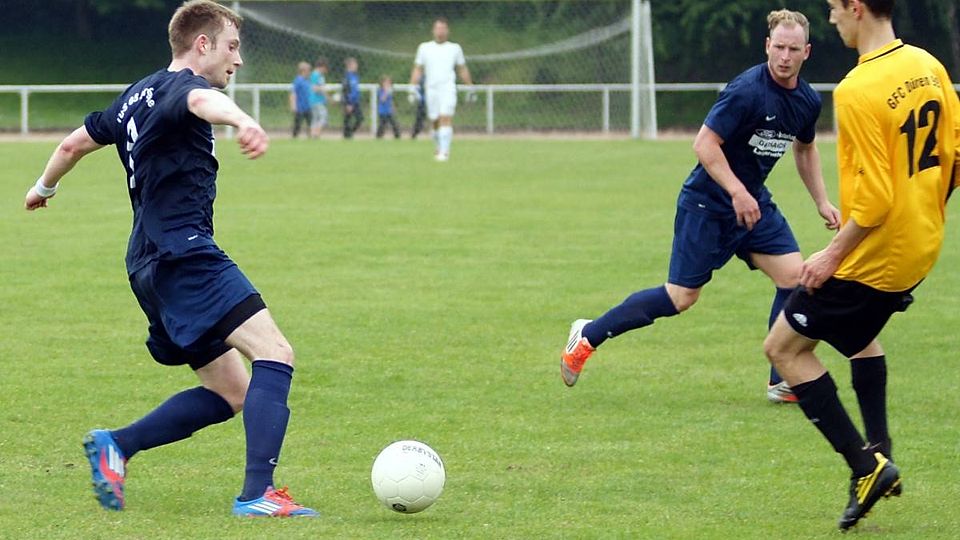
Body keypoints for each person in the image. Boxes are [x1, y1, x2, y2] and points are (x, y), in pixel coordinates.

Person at [23, 0, 318, 517]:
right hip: (186, 256)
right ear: (202, 44)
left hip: (146, 264)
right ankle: (258, 494)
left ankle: (117, 445)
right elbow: (203, 101)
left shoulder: (134, 96)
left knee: (231, 391)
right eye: (232, 47)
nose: (238, 60)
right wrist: (243, 120)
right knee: (275, 353)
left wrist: (43, 187)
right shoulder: (186, 89)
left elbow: (73, 145)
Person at [560, 10, 841, 405]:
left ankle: (782, 379)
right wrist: (737, 192)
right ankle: (588, 334)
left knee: (796, 279)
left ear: (806, 52)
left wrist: (822, 200)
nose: (784, 56)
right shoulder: (746, 91)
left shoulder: (807, 101)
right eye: (778, 47)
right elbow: (704, 144)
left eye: (793, 49)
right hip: (707, 203)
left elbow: (805, 149)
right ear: (767, 46)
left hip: (753, 204)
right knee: (681, 297)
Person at [763, 0, 959, 530]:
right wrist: (923, 214)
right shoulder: (928, 65)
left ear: (856, 7)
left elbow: (872, 202)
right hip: (922, 246)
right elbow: (955, 158)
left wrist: (831, 255)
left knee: (783, 349)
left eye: (834, 7)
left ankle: (866, 466)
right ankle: (881, 448)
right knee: (859, 336)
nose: (831, 18)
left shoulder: (858, 88)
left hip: (876, 257)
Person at [409, 17, 474, 161]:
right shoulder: (424, 48)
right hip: (431, 89)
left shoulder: (454, 48)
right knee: (435, 120)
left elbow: (462, 68)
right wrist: (412, 87)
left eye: (443, 28)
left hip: (448, 88)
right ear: (433, 30)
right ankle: (438, 146)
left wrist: (469, 86)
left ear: (447, 31)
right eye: (438, 28)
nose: (440, 31)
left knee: (446, 116)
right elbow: (418, 69)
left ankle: (445, 152)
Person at [342, 57, 363, 139]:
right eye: (355, 64)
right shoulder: (346, 76)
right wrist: (348, 103)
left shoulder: (355, 76)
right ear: (350, 65)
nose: (356, 66)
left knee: (360, 119)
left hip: (355, 101)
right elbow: (345, 90)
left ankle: (350, 133)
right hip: (349, 102)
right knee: (347, 120)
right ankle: (347, 136)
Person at [290, 61, 312, 138]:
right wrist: (293, 105)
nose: (309, 72)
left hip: (308, 106)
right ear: (303, 71)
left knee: (311, 123)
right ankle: (295, 137)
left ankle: (311, 137)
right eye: (308, 70)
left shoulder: (308, 80)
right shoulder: (298, 80)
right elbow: (293, 93)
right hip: (300, 107)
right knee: (297, 124)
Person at [309, 57, 329, 138]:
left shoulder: (320, 76)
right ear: (322, 67)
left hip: (319, 100)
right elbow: (314, 88)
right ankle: (316, 134)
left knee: (316, 118)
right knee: (323, 116)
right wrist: (324, 92)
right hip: (316, 100)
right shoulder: (315, 75)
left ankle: (313, 134)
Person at [376, 75, 401, 139]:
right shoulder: (380, 90)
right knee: (382, 126)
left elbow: (390, 100)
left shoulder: (390, 91)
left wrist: (393, 107)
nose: (388, 84)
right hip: (383, 111)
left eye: (389, 83)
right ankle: (378, 137)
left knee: (394, 124)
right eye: (386, 82)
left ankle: (397, 136)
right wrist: (386, 92)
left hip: (389, 111)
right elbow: (382, 99)